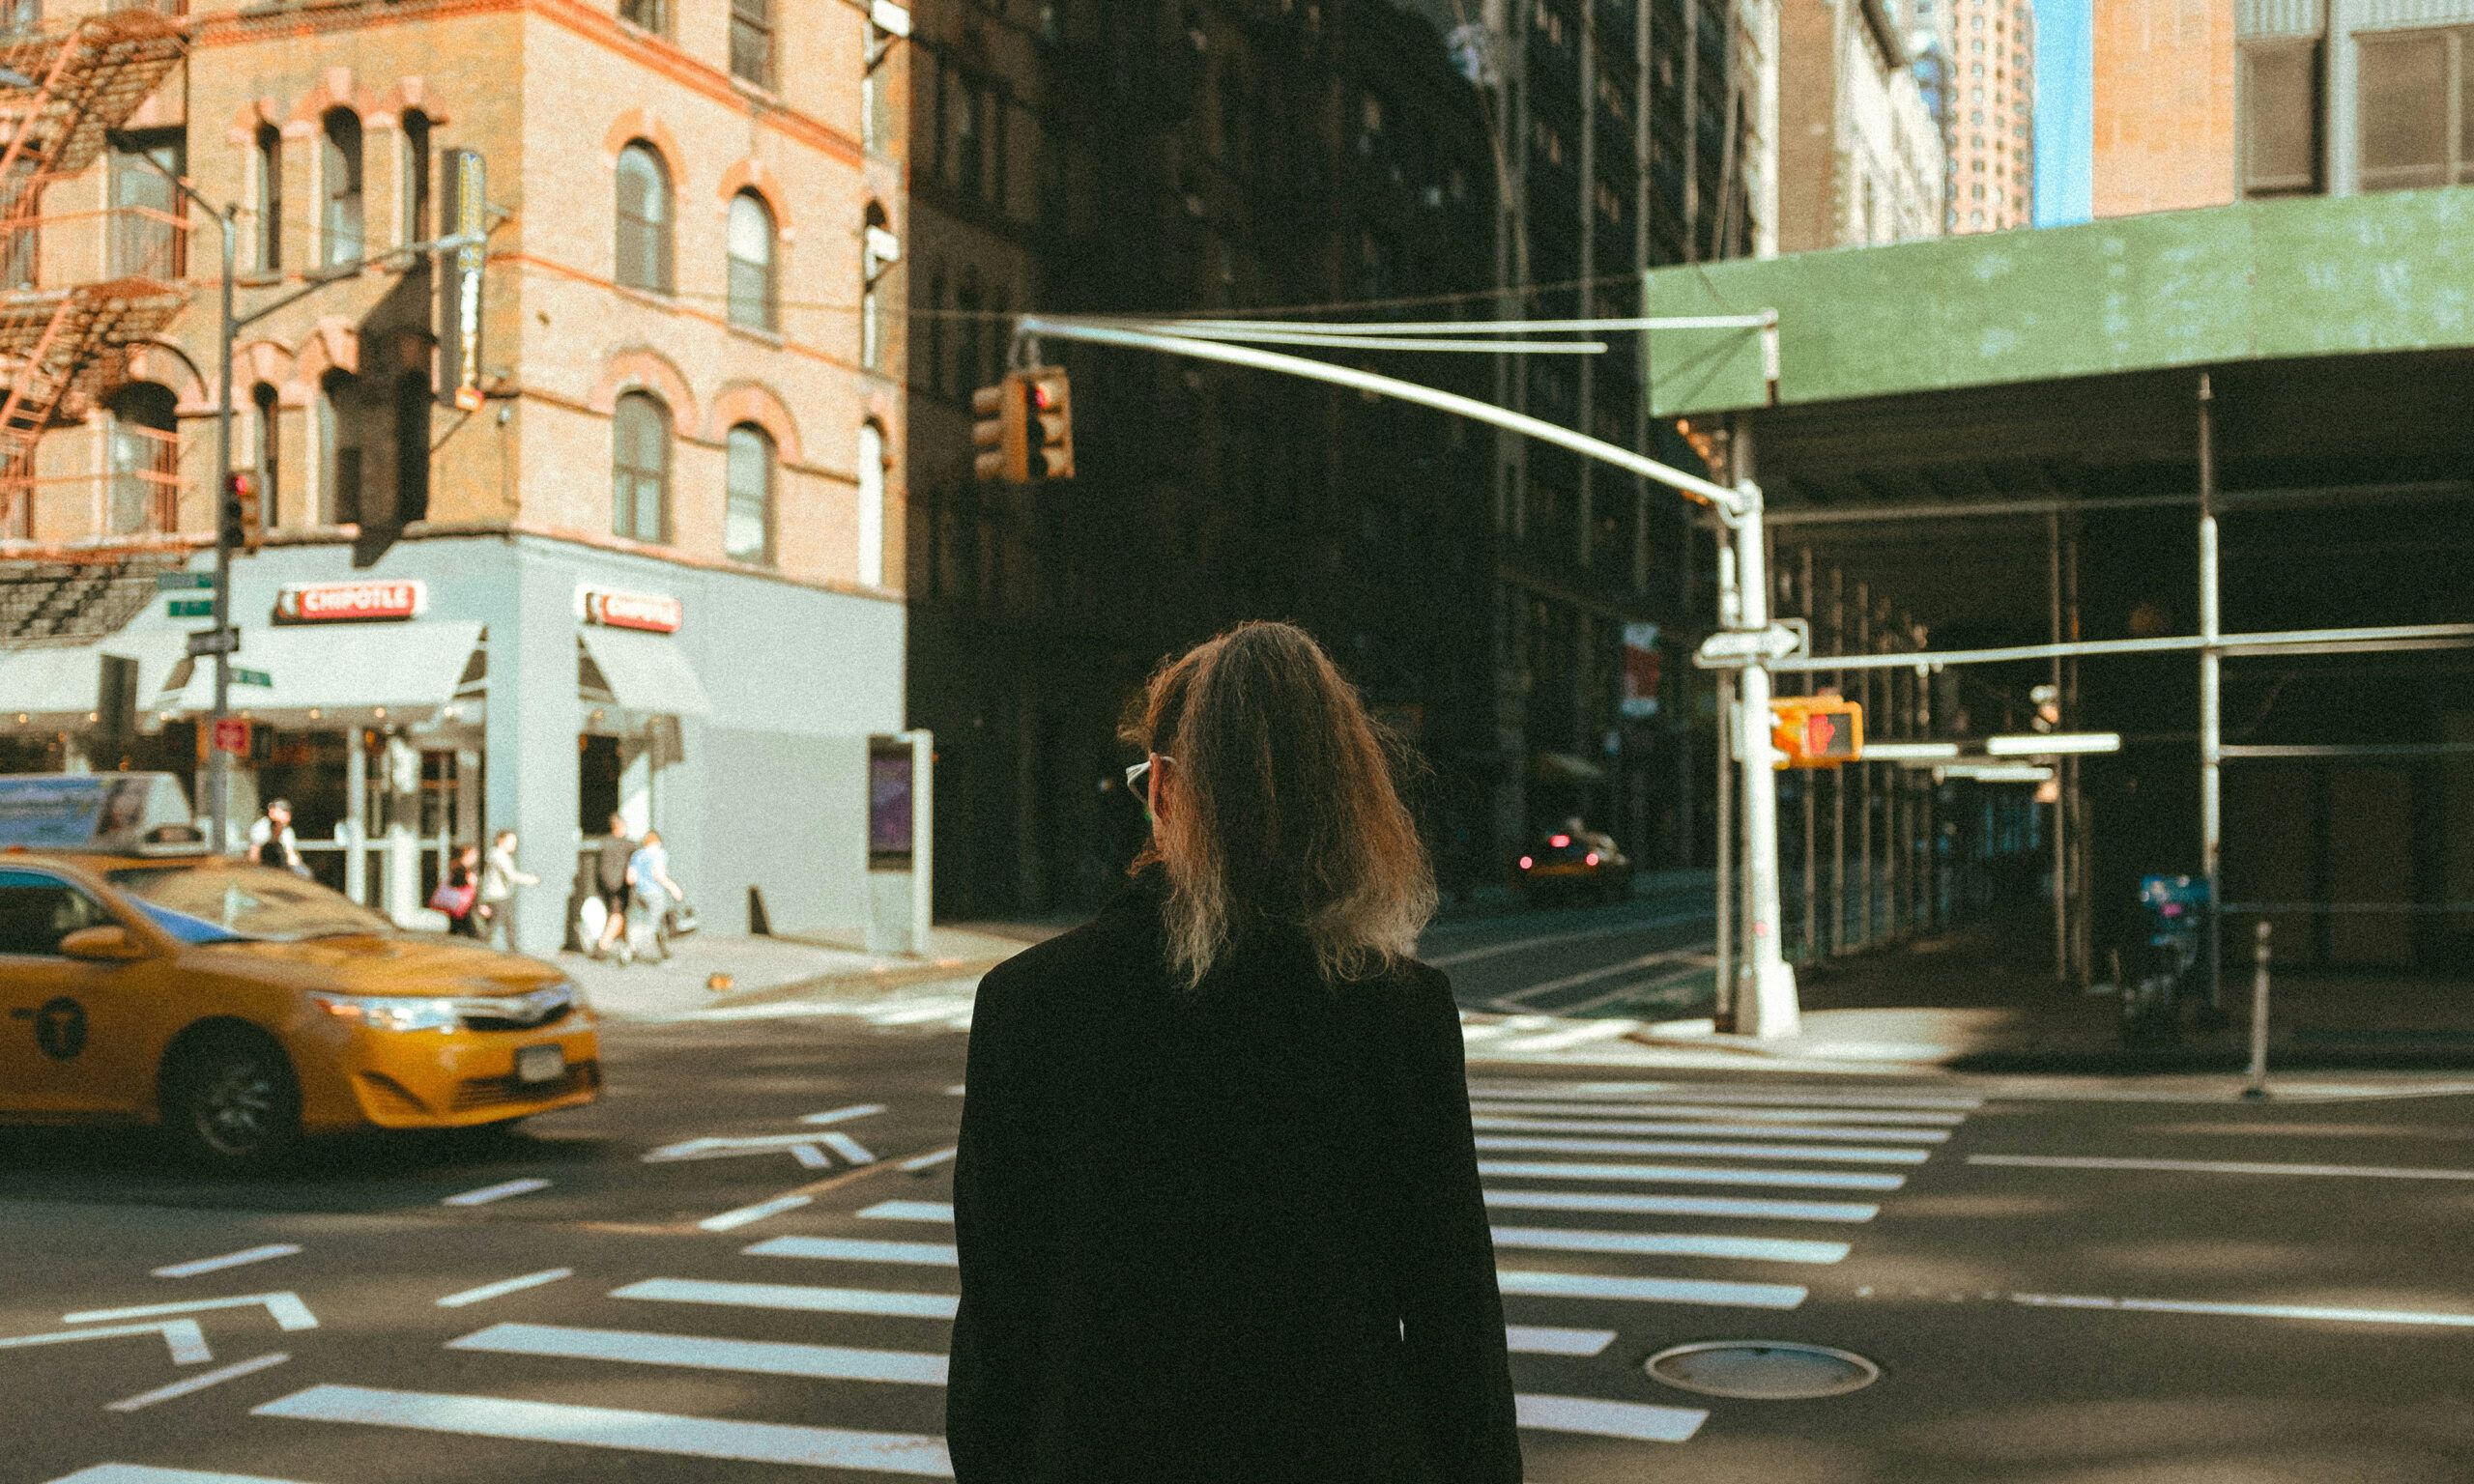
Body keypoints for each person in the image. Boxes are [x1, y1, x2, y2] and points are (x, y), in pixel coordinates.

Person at [947, 620, 1520, 1484]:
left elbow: (999, 1324)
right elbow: (1456, 1323)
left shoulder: (1032, 1004)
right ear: (1347, 797)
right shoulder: (1402, 1014)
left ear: (1166, 793)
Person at [625, 828, 685, 964]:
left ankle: (665, 954)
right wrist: (674, 888)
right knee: (652, 925)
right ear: (657, 841)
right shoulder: (659, 854)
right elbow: (658, 875)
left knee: (659, 924)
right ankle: (630, 950)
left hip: (639, 893)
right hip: (655, 893)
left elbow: (631, 878)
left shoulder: (637, 855)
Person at [478, 828, 539, 952]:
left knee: (509, 924)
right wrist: (531, 880)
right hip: (498, 896)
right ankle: (480, 947)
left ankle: (513, 949)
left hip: (500, 895)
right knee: (495, 924)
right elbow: (511, 876)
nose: (514, 845)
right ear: (500, 840)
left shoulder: (495, 855)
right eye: (511, 841)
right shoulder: (499, 856)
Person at [592, 813, 634, 961]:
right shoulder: (627, 845)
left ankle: (626, 947)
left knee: (619, 915)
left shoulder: (605, 842)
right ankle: (603, 946)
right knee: (618, 914)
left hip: (607, 885)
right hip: (620, 886)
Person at [245, 799, 308, 876]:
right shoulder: (261, 828)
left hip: (281, 866)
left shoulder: (287, 831)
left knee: (303, 873)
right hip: (263, 865)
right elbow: (254, 856)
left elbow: (291, 856)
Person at [434, 843, 483, 937]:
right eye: (474, 855)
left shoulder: (461, 868)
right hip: (462, 906)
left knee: (456, 931)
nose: (475, 858)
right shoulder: (460, 868)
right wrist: (469, 881)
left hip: (459, 906)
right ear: (467, 855)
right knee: (471, 934)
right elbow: (456, 884)